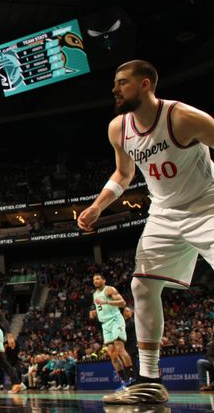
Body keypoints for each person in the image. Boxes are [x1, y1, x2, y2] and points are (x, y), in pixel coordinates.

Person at [78, 60, 214, 404]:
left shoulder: (182, 117)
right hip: (164, 213)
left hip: (206, 205)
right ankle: (149, 381)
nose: (115, 88)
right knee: (142, 284)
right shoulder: (117, 128)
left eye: (122, 82)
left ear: (146, 84)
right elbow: (123, 175)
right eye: (114, 82)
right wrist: (97, 206)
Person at [88, 273, 134, 388]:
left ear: (104, 280)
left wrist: (107, 302)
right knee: (112, 354)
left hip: (115, 320)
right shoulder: (94, 294)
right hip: (105, 324)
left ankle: (133, 377)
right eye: (94, 279)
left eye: (98, 278)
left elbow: (123, 303)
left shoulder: (109, 289)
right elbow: (101, 310)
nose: (95, 281)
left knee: (120, 349)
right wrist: (95, 313)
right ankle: (125, 381)